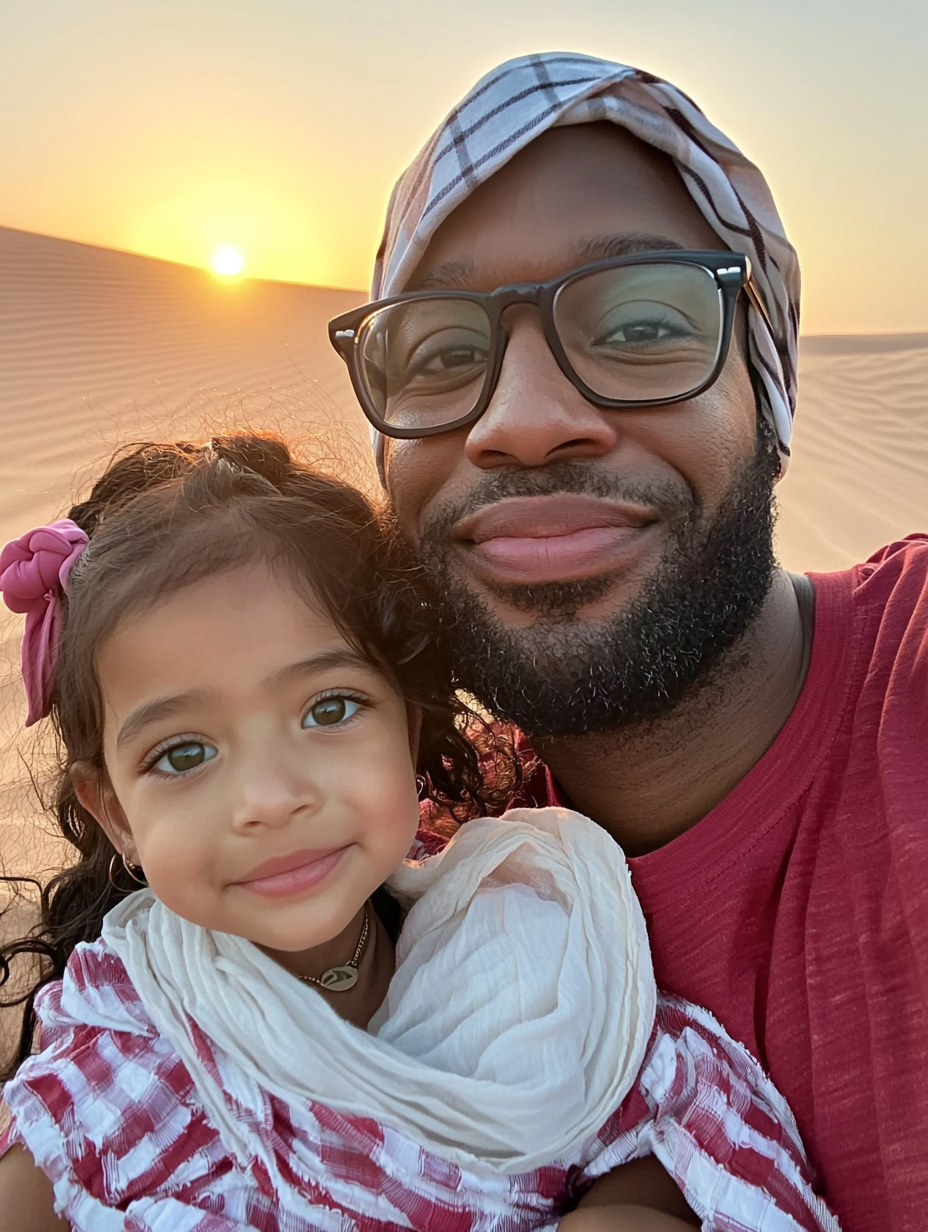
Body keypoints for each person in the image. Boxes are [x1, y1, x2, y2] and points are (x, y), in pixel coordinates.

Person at [328, 51, 928, 1232]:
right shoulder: (393, 856)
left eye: (644, 321)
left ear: (769, 389)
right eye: (443, 354)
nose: (523, 422)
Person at [0, 434, 839, 1231]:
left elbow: (648, 1114)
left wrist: (628, 1208)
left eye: (329, 709)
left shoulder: (518, 940)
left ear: (407, 730)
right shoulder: (114, 1074)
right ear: (116, 814)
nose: (269, 797)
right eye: (183, 753)